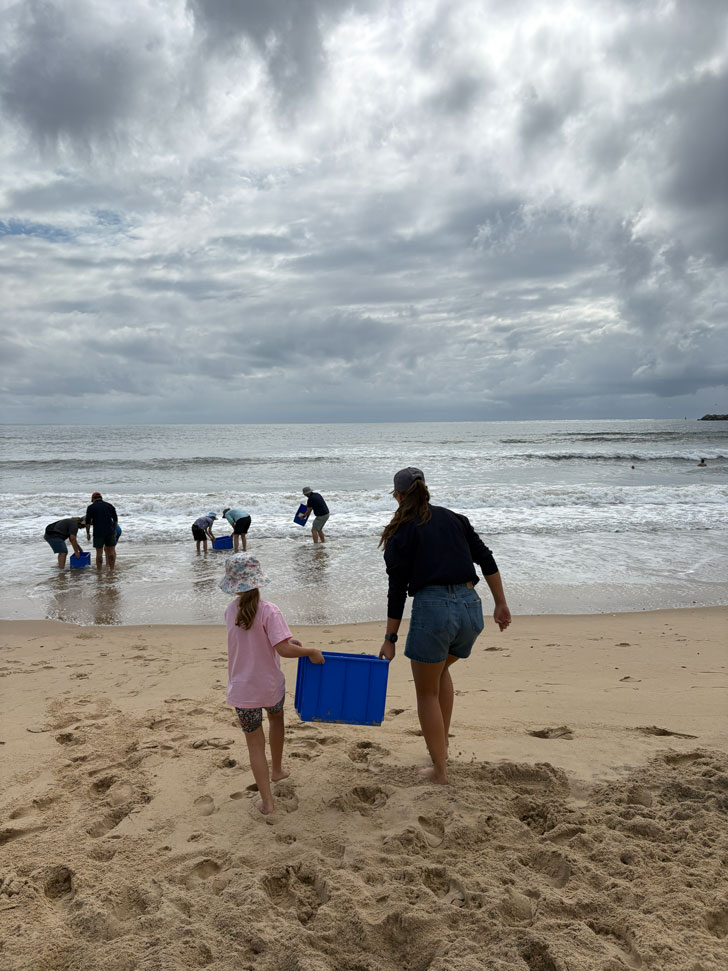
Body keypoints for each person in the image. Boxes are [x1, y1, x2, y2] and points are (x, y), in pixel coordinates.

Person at [378, 467, 511, 786]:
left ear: (398, 496)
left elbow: (397, 588)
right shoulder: (455, 518)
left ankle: (439, 770)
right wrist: (501, 603)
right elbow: (486, 559)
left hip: (434, 610)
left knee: (425, 691)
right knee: (439, 673)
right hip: (471, 607)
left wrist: (390, 638)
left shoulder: (400, 531)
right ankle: (442, 748)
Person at [219, 553, 324, 814]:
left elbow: (259, 642)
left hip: (242, 691)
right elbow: (283, 650)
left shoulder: (231, 611)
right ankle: (277, 769)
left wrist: (289, 644)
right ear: (258, 581)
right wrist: (310, 651)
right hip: (269, 687)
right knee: (276, 719)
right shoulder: (269, 610)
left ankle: (267, 802)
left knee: (254, 744)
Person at [85, 492, 119, 569]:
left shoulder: (91, 507)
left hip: (98, 533)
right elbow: (115, 520)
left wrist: (88, 533)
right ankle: (112, 570)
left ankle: (99, 572)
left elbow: (87, 523)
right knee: (111, 552)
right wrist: (114, 530)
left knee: (99, 553)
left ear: (93, 499)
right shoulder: (110, 506)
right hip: (109, 532)